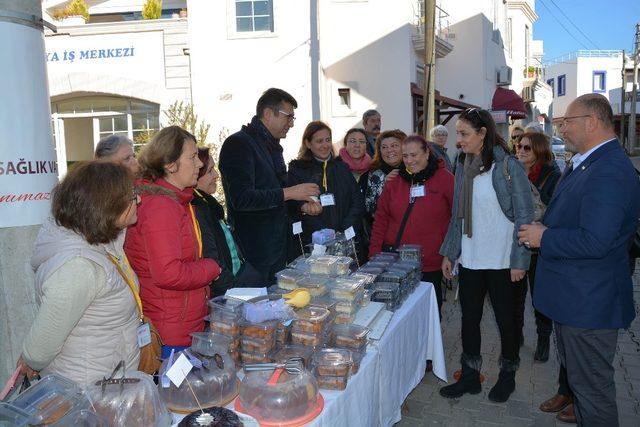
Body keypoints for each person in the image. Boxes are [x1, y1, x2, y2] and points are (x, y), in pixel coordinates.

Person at [519, 94, 640, 426]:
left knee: (593, 395)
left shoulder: (608, 170)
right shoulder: (590, 162)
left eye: (566, 122)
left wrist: (545, 237)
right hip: (577, 298)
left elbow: (597, 240)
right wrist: (547, 226)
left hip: (589, 304)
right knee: (585, 390)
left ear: (592, 122)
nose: (561, 130)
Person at [439, 108, 533, 403]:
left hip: (504, 261)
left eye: (464, 134)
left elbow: (524, 215)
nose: (459, 140)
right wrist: (450, 253)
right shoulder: (463, 165)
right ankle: (470, 376)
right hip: (472, 259)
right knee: (469, 319)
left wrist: (520, 260)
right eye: (457, 134)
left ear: (483, 134)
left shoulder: (507, 167)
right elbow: (458, 216)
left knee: (507, 322)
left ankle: (508, 375)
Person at [18, 161, 140, 385]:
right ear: (106, 206)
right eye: (132, 196)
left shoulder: (102, 244)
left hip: (106, 382)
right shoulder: (79, 267)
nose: (138, 200)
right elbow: (39, 348)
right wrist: (30, 360)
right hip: (87, 394)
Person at [125, 126, 221, 359]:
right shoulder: (161, 206)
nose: (199, 164)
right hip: (171, 330)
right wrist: (212, 268)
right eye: (192, 157)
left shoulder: (174, 200)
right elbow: (169, 273)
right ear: (170, 165)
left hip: (180, 322)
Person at [219, 88, 320, 283]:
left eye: (293, 119)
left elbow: (278, 194)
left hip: (281, 250)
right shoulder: (238, 144)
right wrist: (290, 193)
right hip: (256, 255)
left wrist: (302, 205)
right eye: (288, 117)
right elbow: (241, 198)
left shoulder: (272, 147)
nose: (291, 124)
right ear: (267, 114)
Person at [369, 135, 454, 316]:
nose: (409, 160)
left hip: (430, 262)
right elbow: (381, 220)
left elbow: (456, 220)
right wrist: (375, 256)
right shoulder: (394, 182)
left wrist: (450, 253)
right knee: (396, 313)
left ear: (426, 153)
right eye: (405, 156)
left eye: (414, 155)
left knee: (429, 313)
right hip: (395, 261)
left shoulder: (445, 179)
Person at [513, 132, 561, 362]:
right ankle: (517, 334)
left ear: (539, 151)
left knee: (539, 297)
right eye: (518, 146)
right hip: (518, 243)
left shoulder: (552, 175)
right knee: (516, 294)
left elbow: (556, 210)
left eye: (527, 148)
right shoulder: (512, 172)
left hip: (540, 247)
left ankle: (543, 339)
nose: (520, 151)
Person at [287, 121, 365, 257]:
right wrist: (304, 207)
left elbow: (357, 201)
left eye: (328, 140)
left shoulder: (341, 167)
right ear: (308, 143)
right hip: (312, 243)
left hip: (343, 241)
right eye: (319, 141)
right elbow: (291, 204)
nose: (325, 145)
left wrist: (344, 230)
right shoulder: (297, 170)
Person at [192, 148, 263, 297]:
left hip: (236, 282)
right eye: (210, 171)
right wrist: (233, 291)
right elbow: (212, 257)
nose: (216, 175)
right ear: (195, 175)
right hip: (228, 292)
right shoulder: (197, 209)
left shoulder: (209, 204)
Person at [364, 129, 407, 220]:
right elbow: (370, 209)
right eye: (384, 147)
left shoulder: (414, 170)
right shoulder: (375, 175)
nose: (389, 150)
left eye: (394, 146)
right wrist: (384, 185)